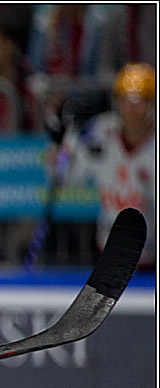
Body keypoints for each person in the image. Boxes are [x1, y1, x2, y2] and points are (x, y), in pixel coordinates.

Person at [54, 62, 155, 270]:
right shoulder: (100, 131)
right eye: (126, 100)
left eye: (140, 101)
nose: (132, 108)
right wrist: (66, 147)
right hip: (107, 251)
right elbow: (69, 176)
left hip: (151, 256)